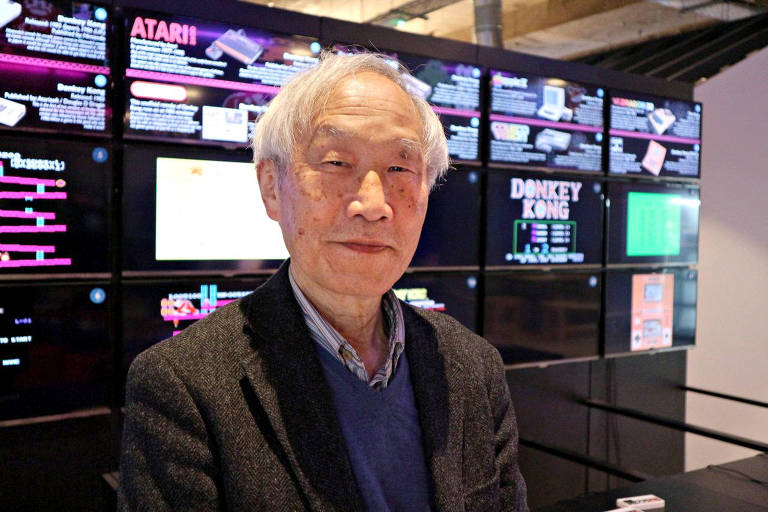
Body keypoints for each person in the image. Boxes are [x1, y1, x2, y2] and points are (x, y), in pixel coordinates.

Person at [118, 51, 528, 512]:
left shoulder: (474, 366)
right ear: (272, 186)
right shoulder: (185, 383)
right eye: (336, 162)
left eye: (399, 168)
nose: (373, 204)